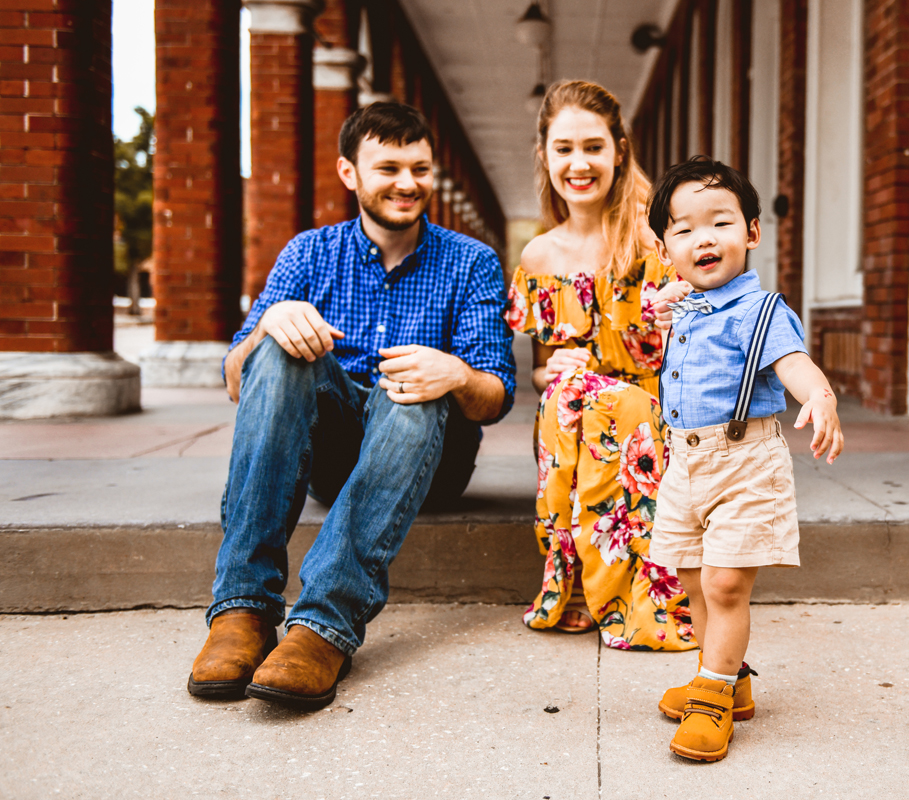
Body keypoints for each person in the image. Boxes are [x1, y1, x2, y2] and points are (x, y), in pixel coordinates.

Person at [187, 102, 516, 710]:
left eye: (420, 168)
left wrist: (456, 373)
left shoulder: (472, 261)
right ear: (349, 173)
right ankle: (243, 610)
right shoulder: (308, 254)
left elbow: (495, 396)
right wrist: (269, 327)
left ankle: (322, 626)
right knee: (280, 352)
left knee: (415, 384)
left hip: (428, 461)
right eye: (388, 167)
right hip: (333, 458)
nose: (408, 183)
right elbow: (238, 379)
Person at [646, 157, 844, 761]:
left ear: (752, 232)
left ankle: (712, 698)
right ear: (665, 248)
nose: (703, 238)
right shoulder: (683, 309)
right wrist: (665, 309)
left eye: (720, 223)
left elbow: (793, 363)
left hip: (744, 463)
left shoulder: (762, 312)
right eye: (683, 229)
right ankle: (729, 680)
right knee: (691, 579)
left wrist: (821, 397)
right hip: (686, 465)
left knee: (726, 582)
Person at [505, 80, 696, 651]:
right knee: (566, 394)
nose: (579, 163)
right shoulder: (538, 256)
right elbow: (538, 372)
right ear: (545, 156)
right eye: (564, 149)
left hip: (657, 407)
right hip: (574, 413)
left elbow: (701, 345)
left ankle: (599, 587)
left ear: (619, 149)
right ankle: (584, 578)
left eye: (593, 147)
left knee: (606, 403)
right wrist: (554, 370)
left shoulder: (652, 237)